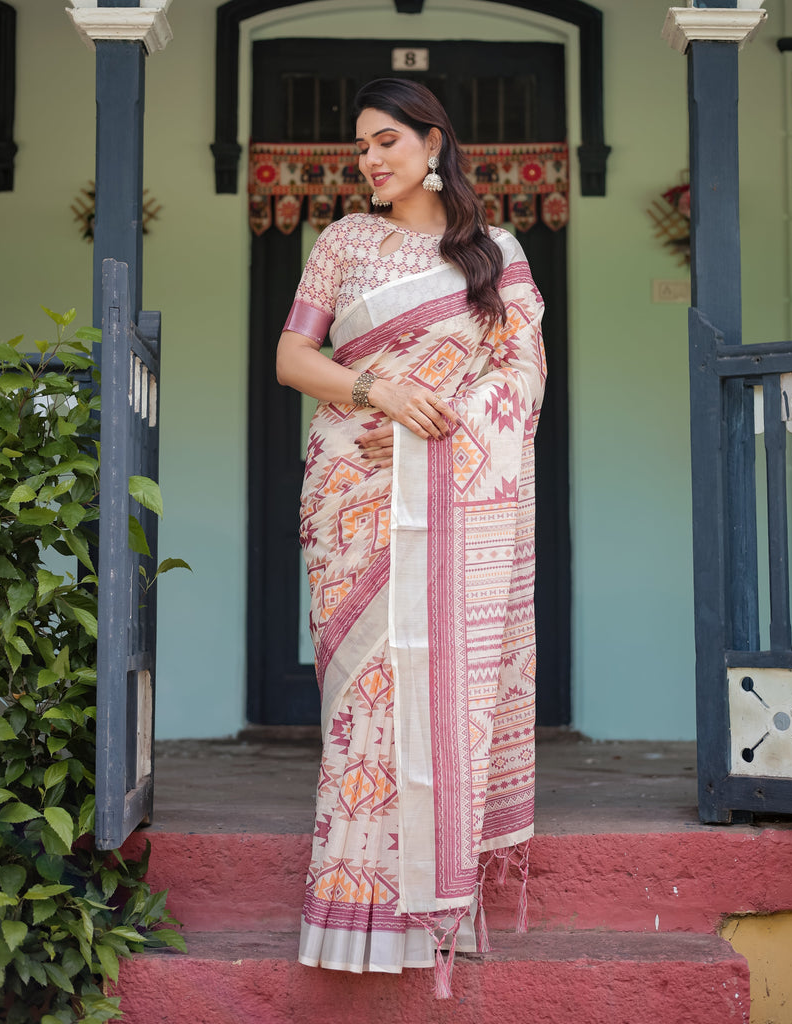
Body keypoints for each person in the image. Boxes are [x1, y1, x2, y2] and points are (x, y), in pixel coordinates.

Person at [276, 78, 546, 998]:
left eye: (387, 141)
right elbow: (293, 358)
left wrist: (446, 426)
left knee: (435, 684)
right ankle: (352, 912)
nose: (371, 161)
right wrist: (376, 392)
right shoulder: (343, 243)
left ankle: (432, 905)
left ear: (435, 144)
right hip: (352, 492)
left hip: (448, 495)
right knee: (365, 694)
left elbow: (524, 375)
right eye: (361, 148)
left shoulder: (494, 252)